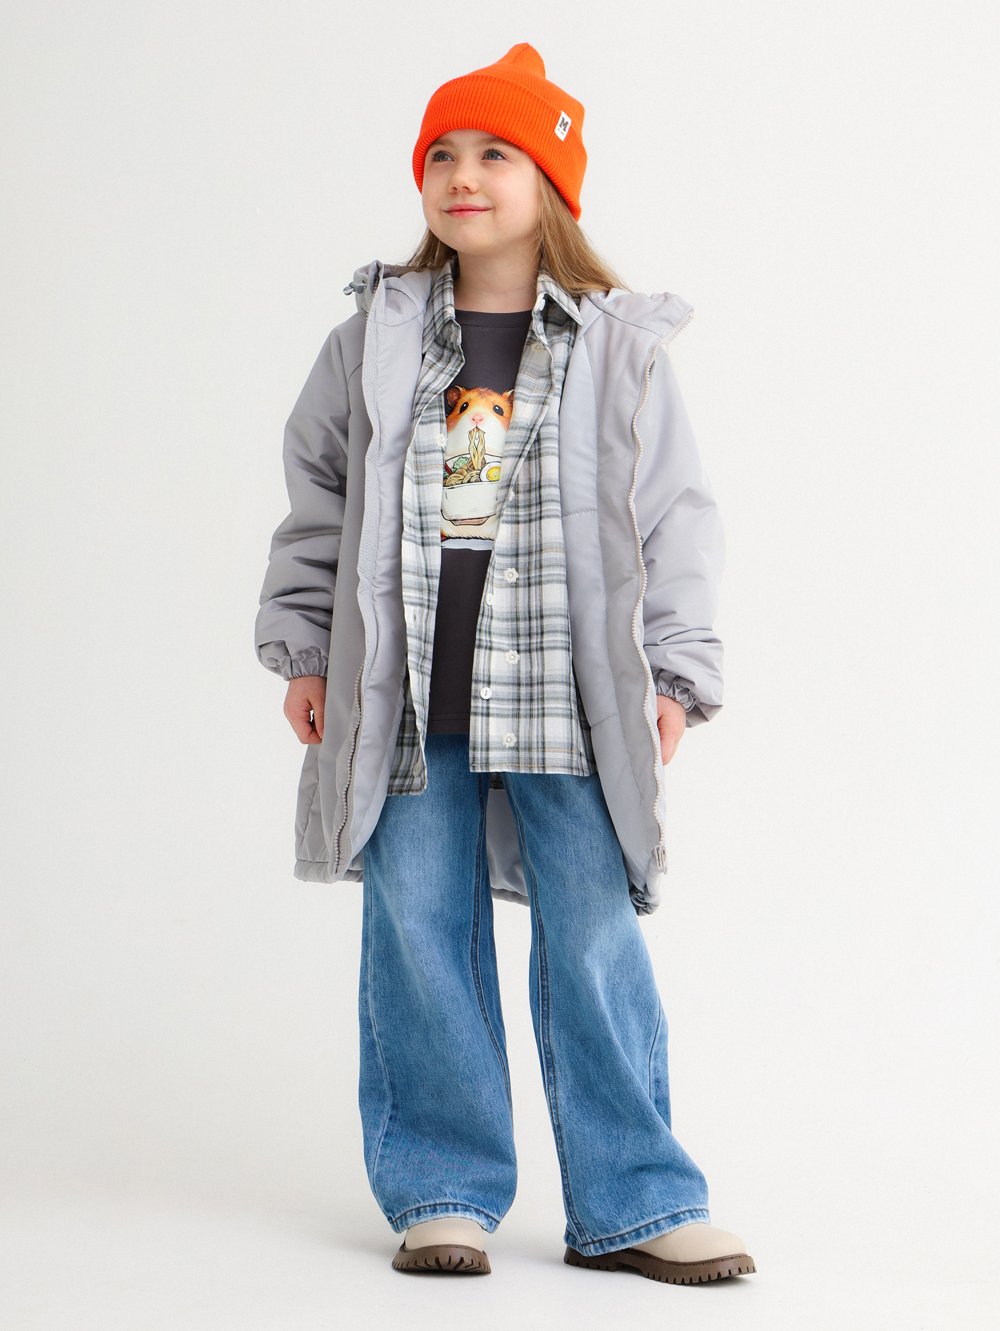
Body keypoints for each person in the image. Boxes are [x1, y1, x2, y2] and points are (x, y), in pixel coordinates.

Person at [254, 42, 756, 1285]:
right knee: (419, 936)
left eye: (494, 153)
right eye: (441, 153)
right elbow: (319, 499)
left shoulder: (614, 347)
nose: (461, 176)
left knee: (592, 937)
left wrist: (675, 675)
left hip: (563, 698)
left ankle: (635, 1197)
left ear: (552, 184)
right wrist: (305, 645)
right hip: (408, 696)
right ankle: (441, 1188)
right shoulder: (372, 341)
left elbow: (675, 517)